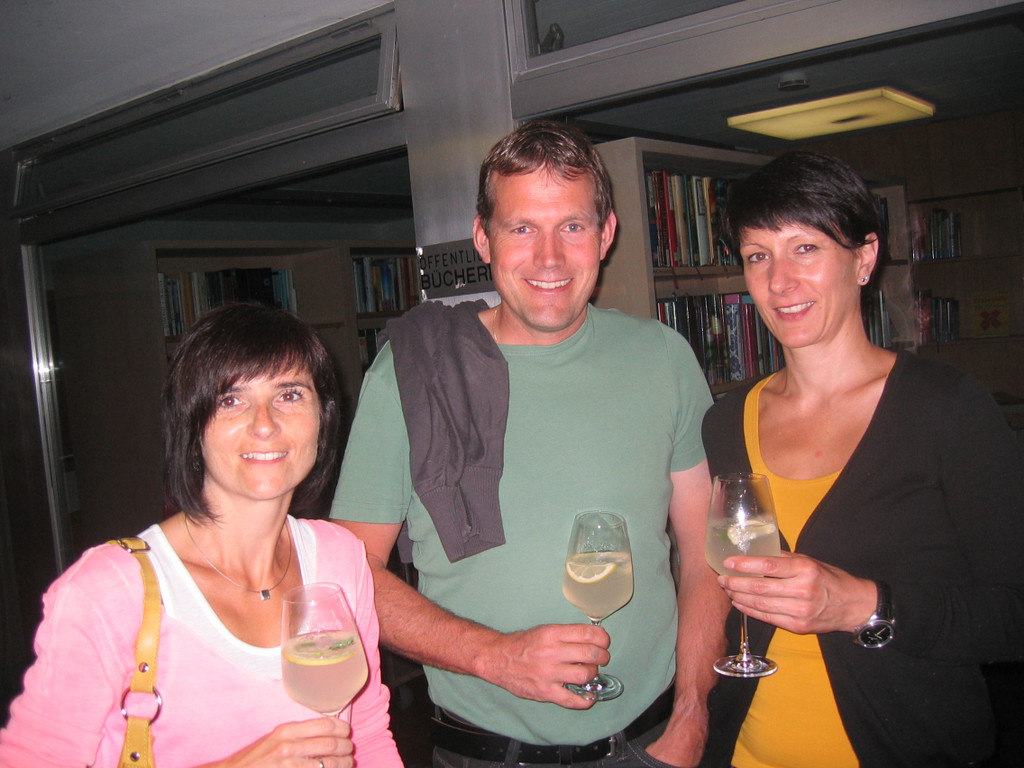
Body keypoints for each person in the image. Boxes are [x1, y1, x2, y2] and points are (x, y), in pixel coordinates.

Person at [331, 119, 722, 768]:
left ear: (606, 234)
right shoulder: (411, 373)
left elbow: (706, 555)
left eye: (572, 226)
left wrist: (692, 717)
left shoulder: (664, 358)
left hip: (653, 741)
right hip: (485, 753)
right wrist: (495, 656)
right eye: (521, 229)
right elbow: (347, 575)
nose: (549, 258)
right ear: (483, 238)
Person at [699, 151, 1024, 767]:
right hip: (743, 752)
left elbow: (1014, 612)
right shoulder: (725, 421)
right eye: (758, 256)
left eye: (806, 248)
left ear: (865, 258)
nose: (779, 281)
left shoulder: (946, 408)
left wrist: (864, 606)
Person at [0, 303, 402, 768]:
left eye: (289, 394)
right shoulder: (109, 591)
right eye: (230, 400)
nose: (265, 423)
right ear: (192, 427)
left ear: (324, 418)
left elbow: (366, 737)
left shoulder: (341, 559)